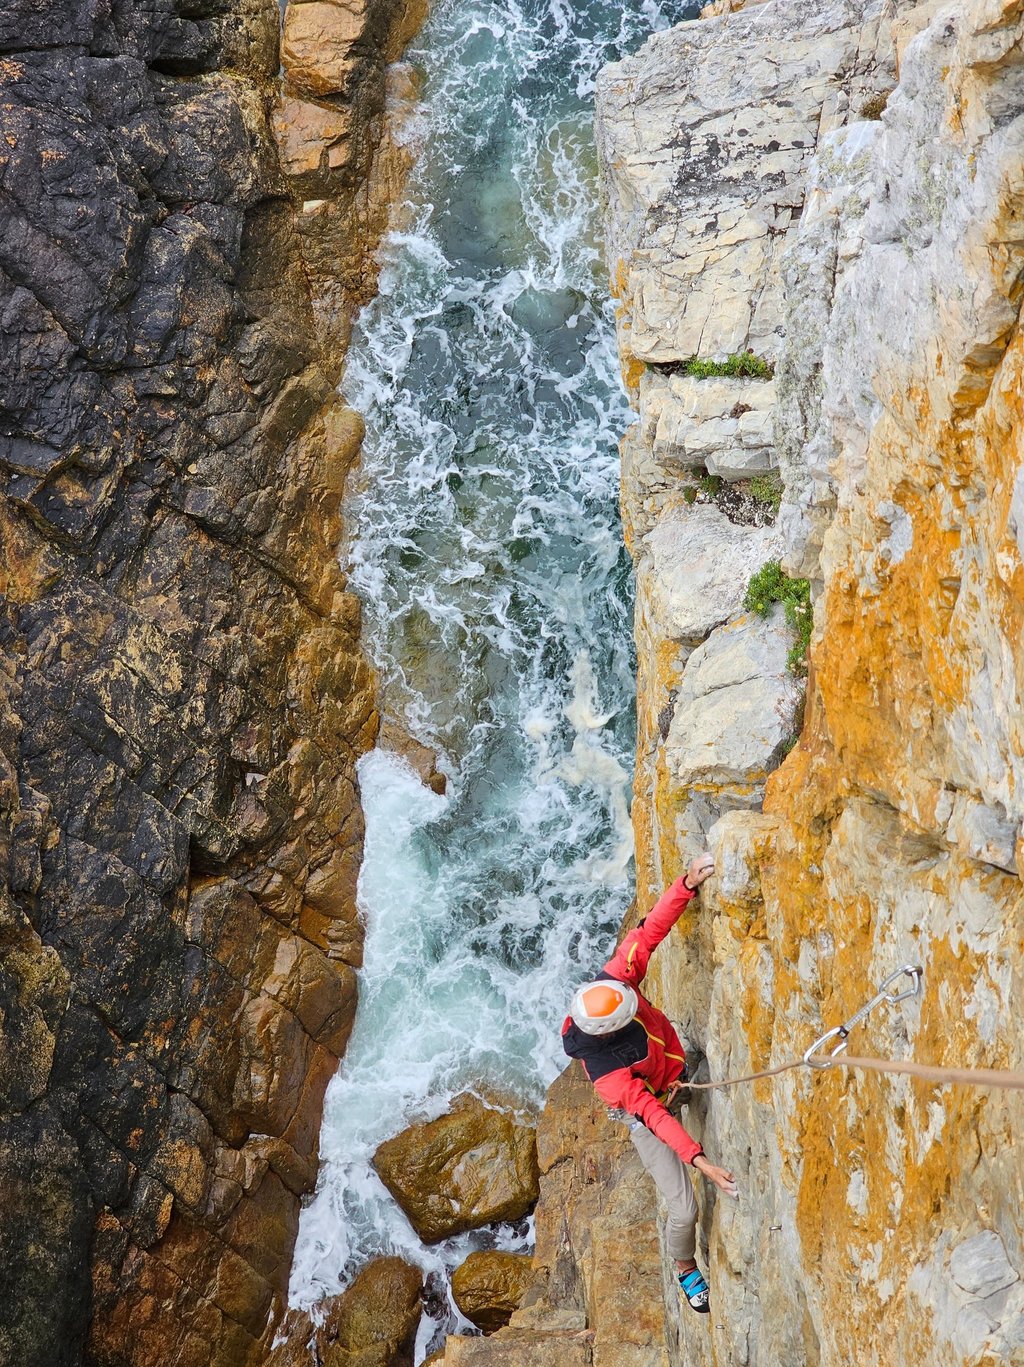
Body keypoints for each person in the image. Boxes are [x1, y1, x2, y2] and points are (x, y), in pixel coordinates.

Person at [561, 852, 737, 1314]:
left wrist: (686, 884)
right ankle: (684, 1265)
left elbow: (645, 936)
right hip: (649, 1110)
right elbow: (654, 1116)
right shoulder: (611, 1078)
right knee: (684, 1211)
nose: (635, 1002)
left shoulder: (613, 986)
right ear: (612, 1029)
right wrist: (701, 1162)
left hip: (673, 1072)